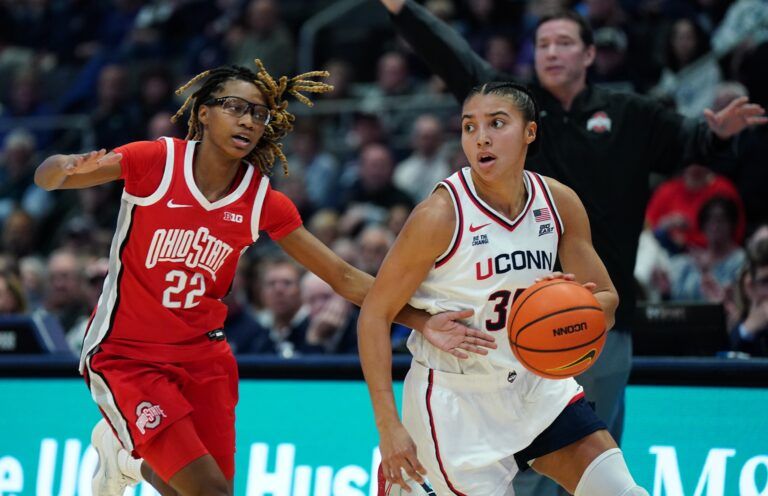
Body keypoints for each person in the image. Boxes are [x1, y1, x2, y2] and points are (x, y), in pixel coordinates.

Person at [34, 60, 495, 496]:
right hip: (130, 355)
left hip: (204, 357)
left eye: (259, 113)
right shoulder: (154, 162)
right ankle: (126, 456)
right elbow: (49, 178)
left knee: (204, 489)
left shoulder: (261, 201)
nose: (249, 121)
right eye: (235, 107)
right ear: (204, 112)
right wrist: (62, 166)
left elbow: (342, 276)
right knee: (208, 490)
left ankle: (125, 461)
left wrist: (421, 320)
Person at [375, 2, 767, 494]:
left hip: (564, 348)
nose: (482, 135)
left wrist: (714, 134)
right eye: (542, 44)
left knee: (613, 480)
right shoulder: (483, 149)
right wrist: (405, 9)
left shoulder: (624, 121)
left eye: (564, 43)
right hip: (467, 382)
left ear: (589, 54)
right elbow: (454, 58)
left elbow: (685, 140)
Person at [359, 82, 647, 496]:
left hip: (537, 385)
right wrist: (388, 426)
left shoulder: (558, 202)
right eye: (469, 127)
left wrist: (573, 303)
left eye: (497, 123)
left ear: (530, 132)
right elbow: (374, 313)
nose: (482, 138)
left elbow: (608, 300)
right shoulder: (440, 215)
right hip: (458, 401)